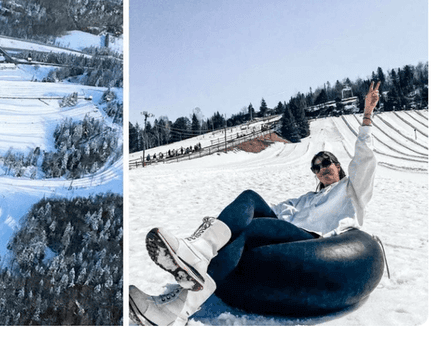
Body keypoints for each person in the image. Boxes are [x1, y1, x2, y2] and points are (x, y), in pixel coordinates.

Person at [129, 81, 380, 326]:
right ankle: (199, 251)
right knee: (250, 198)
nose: (322, 169)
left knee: (252, 230)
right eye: (316, 167)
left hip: (319, 240)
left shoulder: (352, 190)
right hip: (291, 237)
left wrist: (367, 114)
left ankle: (178, 307)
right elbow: (279, 211)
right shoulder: (308, 198)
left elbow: (364, 159)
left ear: (338, 165)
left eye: (326, 163)